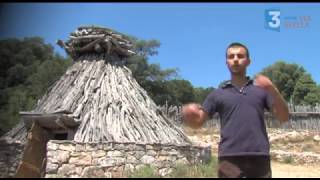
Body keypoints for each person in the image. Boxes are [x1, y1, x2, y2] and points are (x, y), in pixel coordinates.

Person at [182, 42, 289, 178]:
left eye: (240, 56)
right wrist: (189, 115)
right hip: (228, 159)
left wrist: (273, 90)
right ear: (226, 62)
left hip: (259, 157)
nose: (236, 59)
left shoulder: (262, 90)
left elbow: (283, 117)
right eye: (231, 56)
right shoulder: (217, 94)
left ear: (248, 61)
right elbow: (198, 122)